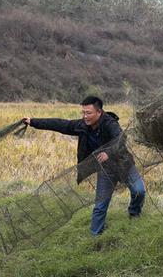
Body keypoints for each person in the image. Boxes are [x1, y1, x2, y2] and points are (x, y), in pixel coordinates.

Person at [23, 96, 146, 236]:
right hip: (106, 170)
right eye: (83, 112)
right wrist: (33, 121)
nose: (85, 116)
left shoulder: (110, 123)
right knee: (100, 206)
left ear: (99, 112)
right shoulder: (82, 126)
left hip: (124, 164)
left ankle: (134, 214)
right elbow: (61, 124)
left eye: (88, 113)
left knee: (139, 191)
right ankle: (95, 236)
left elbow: (120, 138)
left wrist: (108, 152)